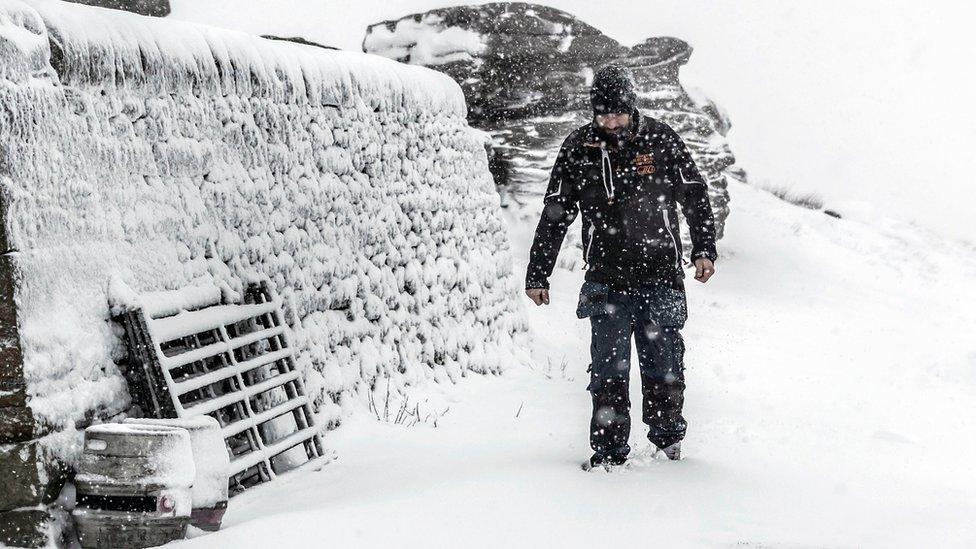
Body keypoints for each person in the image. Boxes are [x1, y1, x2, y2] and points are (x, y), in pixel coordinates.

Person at [525, 64, 717, 470]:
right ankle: (609, 454)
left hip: (661, 275)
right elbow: (556, 213)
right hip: (606, 280)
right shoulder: (578, 148)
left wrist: (704, 249)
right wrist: (538, 272)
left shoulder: (661, 140)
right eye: (602, 114)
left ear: (633, 107)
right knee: (608, 372)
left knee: (664, 368)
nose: (610, 121)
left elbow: (696, 197)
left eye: (618, 113)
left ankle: (668, 443)